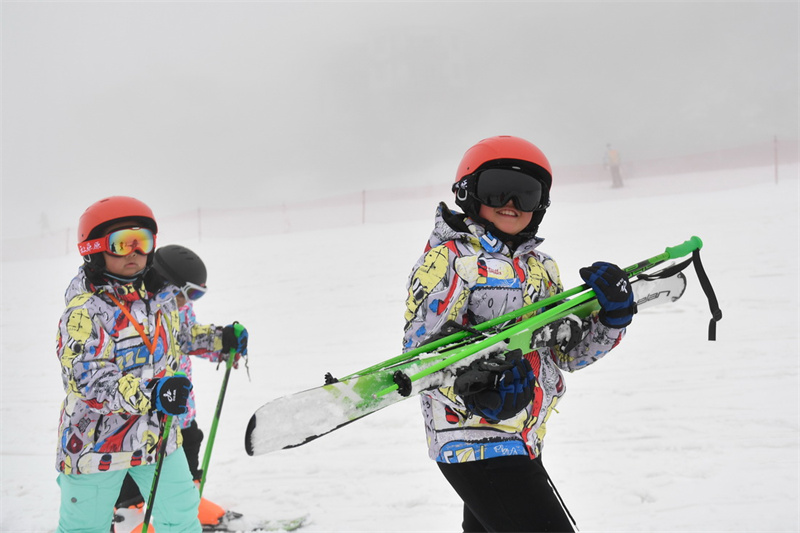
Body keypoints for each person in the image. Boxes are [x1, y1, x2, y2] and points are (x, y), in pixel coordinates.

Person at [402, 136, 637, 532]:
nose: (511, 202)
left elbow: (564, 354)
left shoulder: (542, 267)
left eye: (526, 194)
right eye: (497, 189)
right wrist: (474, 386)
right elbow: (421, 354)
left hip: (525, 436)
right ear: (468, 192)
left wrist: (610, 321)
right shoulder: (449, 260)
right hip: (471, 440)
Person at [55, 196, 249, 533]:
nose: (133, 252)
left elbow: (182, 337)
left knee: (180, 518)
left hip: (157, 436)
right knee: (85, 528)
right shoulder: (86, 310)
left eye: (141, 242)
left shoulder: (157, 299)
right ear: (95, 249)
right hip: (96, 445)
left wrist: (220, 340)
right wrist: (152, 392)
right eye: (121, 244)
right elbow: (89, 380)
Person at [113, 244, 243, 531]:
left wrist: (223, 340)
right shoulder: (132, 308)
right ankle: (130, 516)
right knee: (134, 463)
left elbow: (187, 336)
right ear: (166, 283)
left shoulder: (178, 306)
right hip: (139, 411)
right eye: (189, 293)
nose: (189, 302)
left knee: (189, 441)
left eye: (197, 295)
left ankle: (188, 502)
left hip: (179, 404)